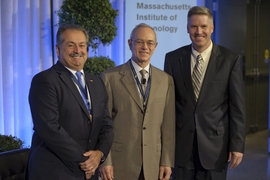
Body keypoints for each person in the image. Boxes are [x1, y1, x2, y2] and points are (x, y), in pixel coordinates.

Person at [164, 6, 246, 180]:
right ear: (187, 29)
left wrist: (237, 145)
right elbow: (168, 106)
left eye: (203, 26)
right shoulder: (172, 59)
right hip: (182, 147)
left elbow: (237, 106)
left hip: (215, 148)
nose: (198, 31)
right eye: (194, 27)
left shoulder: (231, 60)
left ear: (212, 28)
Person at [26, 24, 114, 180]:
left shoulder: (96, 82)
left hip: (88, 171)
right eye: (71, 45)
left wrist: (99, 154)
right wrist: (85, 160)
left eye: (82, 45)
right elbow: (49, 128)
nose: (77, 50)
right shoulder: (45, 81)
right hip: (55, 171)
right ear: (58, 49)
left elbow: (106, 125)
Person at [99, 23, 175, 180]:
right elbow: (102, 123)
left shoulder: (166, 80)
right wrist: (105, 161)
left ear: (156, 46)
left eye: (150, 43)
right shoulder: (110, 77)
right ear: (129, 43)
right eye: (139, 41)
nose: (145, 47)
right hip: (120, 163)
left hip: (153, 164)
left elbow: (168, 125)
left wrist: (166, 161)